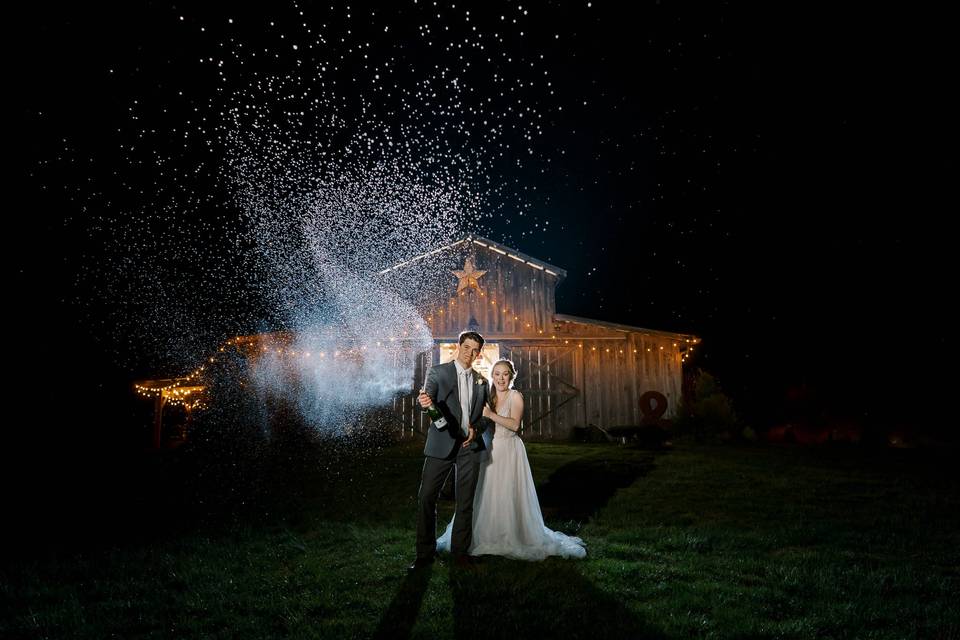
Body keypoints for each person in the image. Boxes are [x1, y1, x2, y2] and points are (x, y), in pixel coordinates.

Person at [436, 358, 587, 560]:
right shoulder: (487, 396)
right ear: (492, 376)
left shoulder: (515, 396)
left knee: (508, 491)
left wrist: (490, 414)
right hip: (490, 450)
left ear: (511, 376)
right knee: (486, 492)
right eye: (496, 374)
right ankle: (482, 534)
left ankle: (512, 534)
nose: (500, 378)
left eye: (505, 373)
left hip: (510, 450)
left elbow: (515, 425)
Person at [409, 331, 493, 571]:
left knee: (465, 502)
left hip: (470, 448)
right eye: (467, 348)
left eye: (475, 350)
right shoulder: (438, 372)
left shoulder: (482, 381)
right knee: (426, 497)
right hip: (441, 443)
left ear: (479, 354)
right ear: (459, 346)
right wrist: (424, 404)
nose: (470, 354)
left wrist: (476, 430)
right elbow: (428, 402)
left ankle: (460, 553)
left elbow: (485, 418)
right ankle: (424, 554)